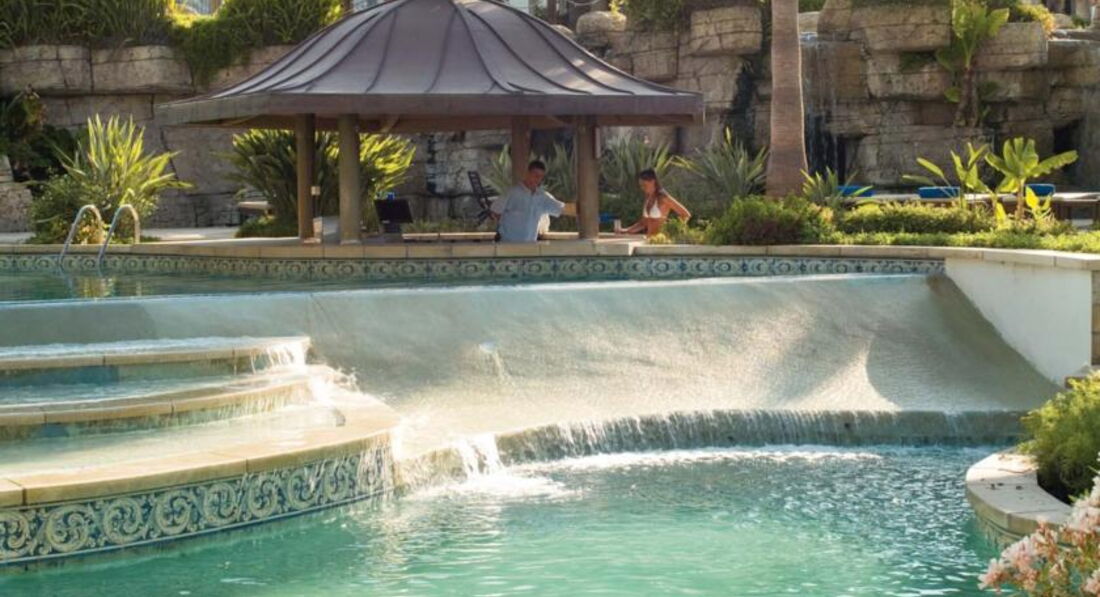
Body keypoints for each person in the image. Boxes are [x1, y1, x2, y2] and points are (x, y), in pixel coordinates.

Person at [492, 160, 575, 242]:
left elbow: (563, 209)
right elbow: (495, 211)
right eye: (535, 175)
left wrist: (581, 208)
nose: (537, 179)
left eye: (540, 176)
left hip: (530, 245)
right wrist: (509, 226)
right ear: (527, 173)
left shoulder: (543, 197)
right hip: (508, 244)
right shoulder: (512, 193)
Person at [617, 169, 691, 237]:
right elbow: (643, 223)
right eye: (641, 185)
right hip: (650, 241)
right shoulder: (647, 198)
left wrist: (674, 231)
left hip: (661, 241)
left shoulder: (663, 198)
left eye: (644, 185)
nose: (642, 188)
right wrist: (626, 230)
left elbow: (685, 214)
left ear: (653, 181)